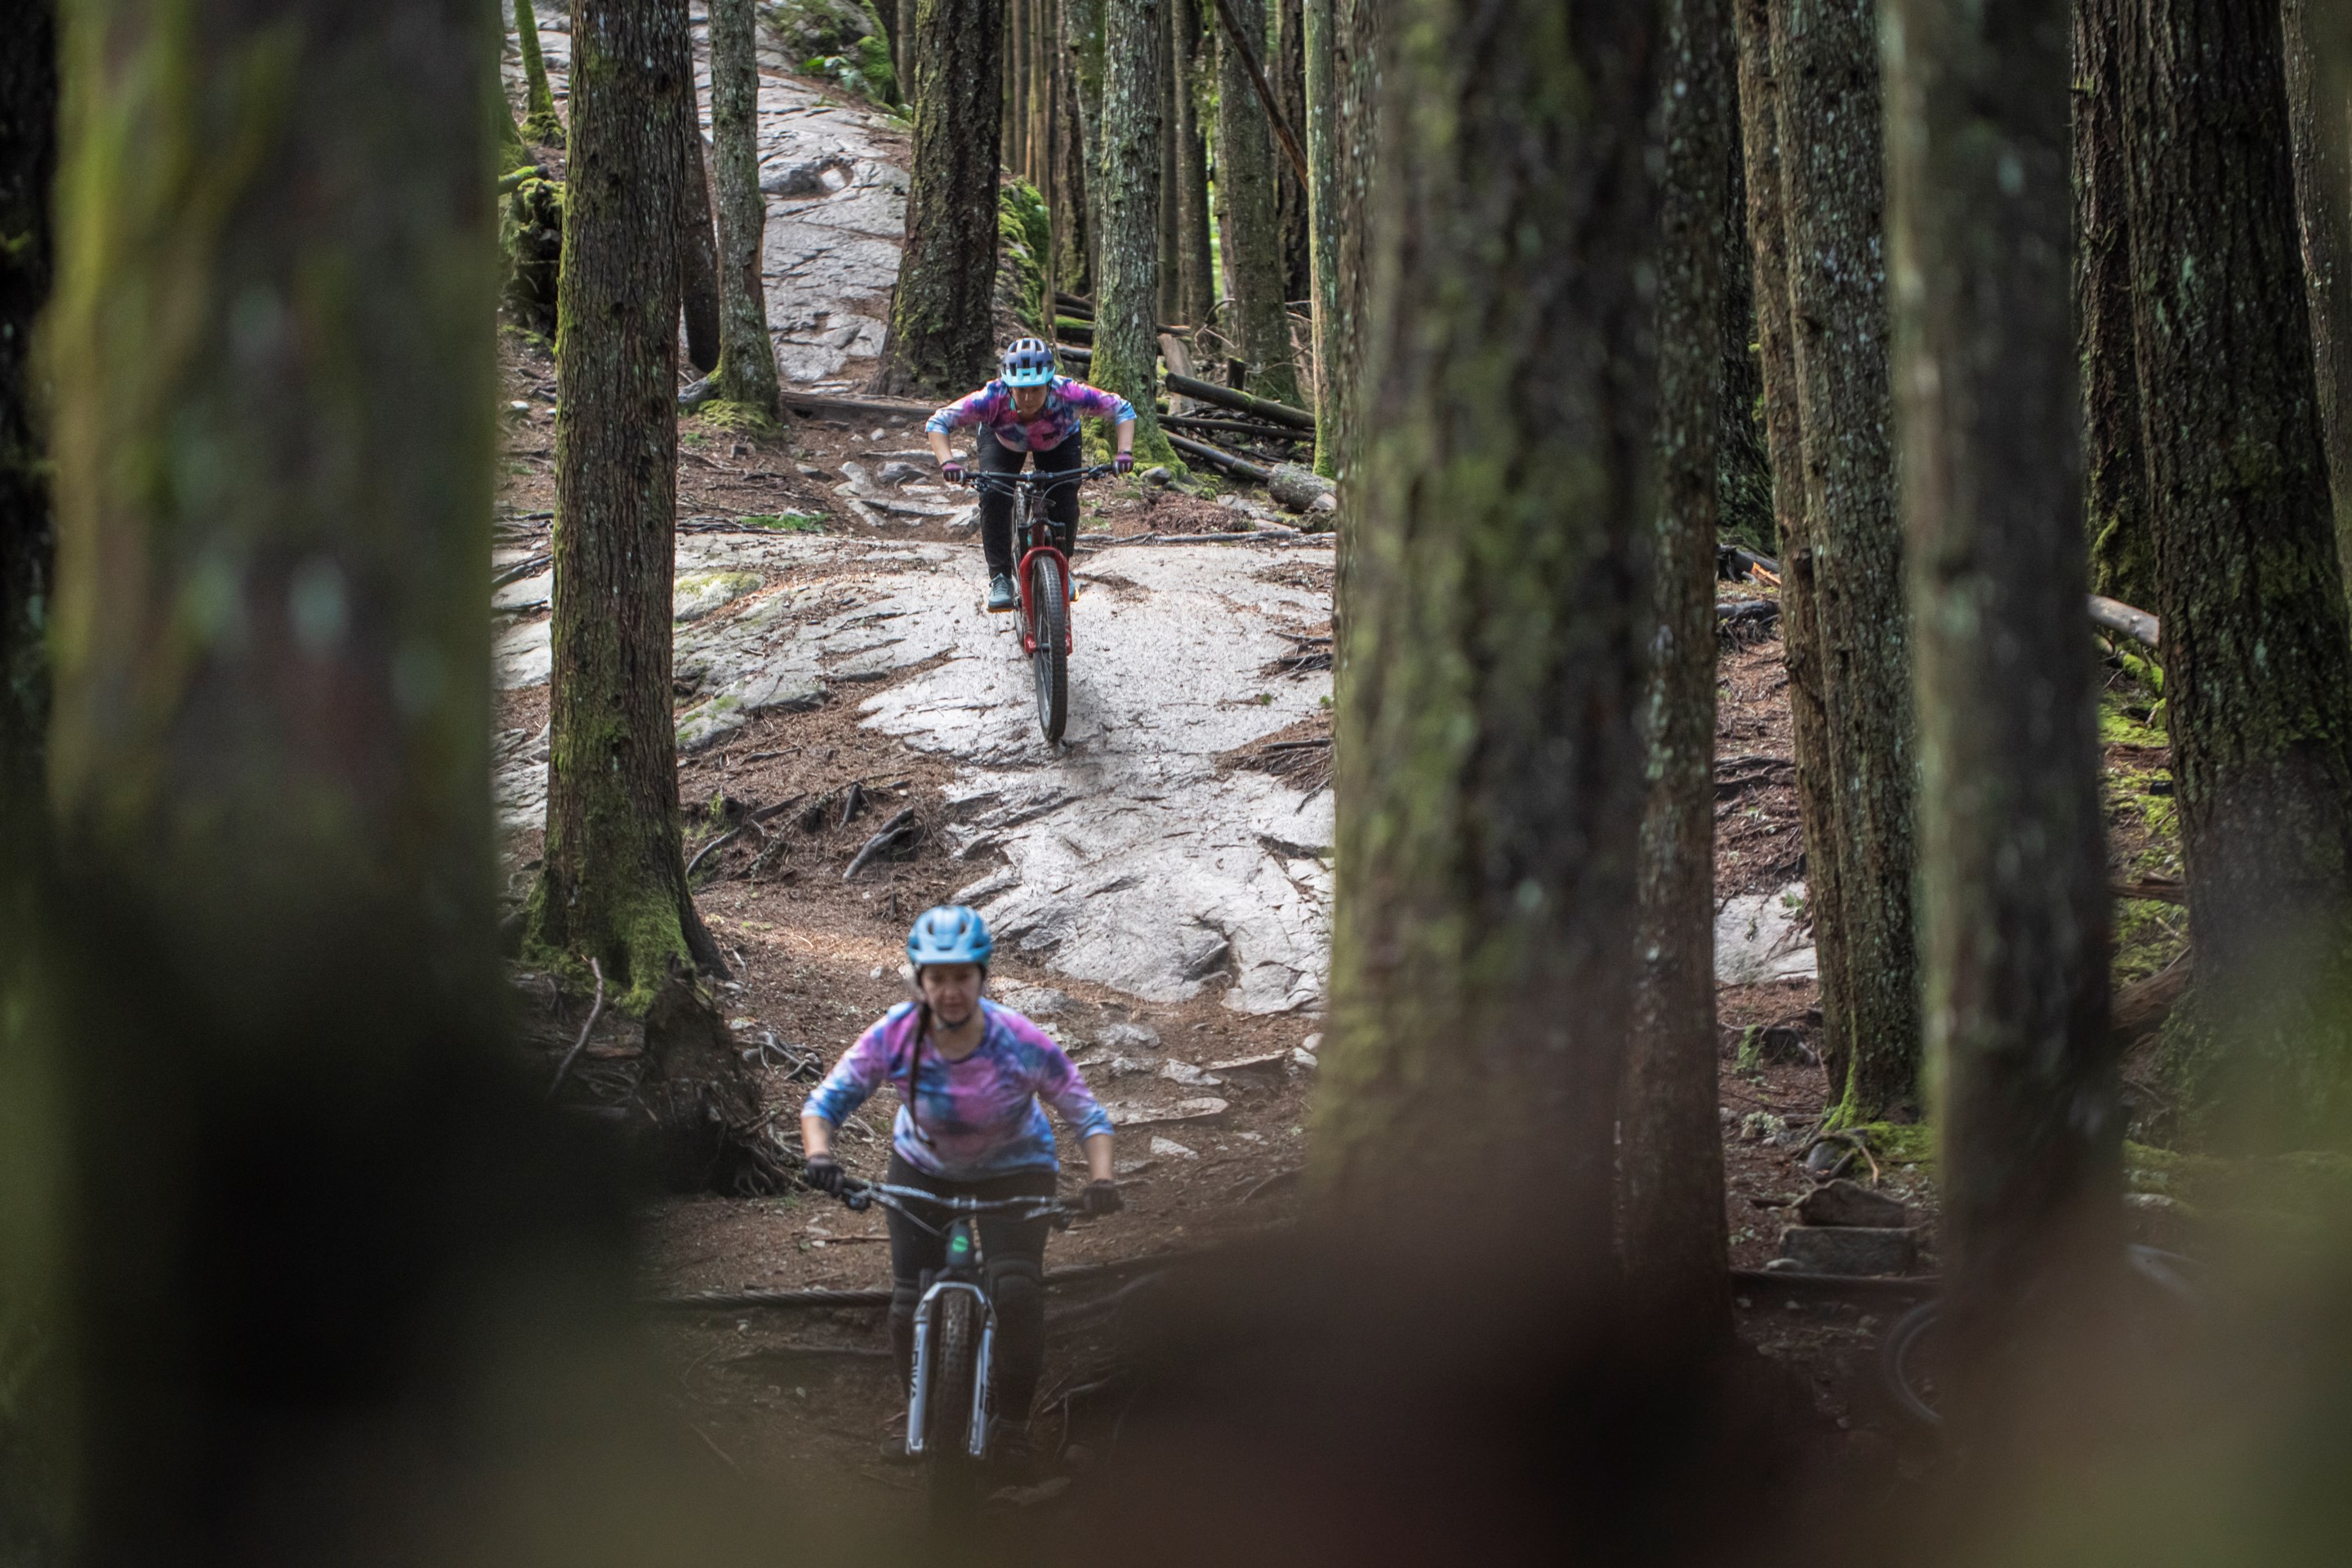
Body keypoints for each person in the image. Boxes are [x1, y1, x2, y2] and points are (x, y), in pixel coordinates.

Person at [800, 904, 1120, 1463]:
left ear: (982, 977)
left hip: (1018, 1170)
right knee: (906, 1302)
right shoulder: (896, 1035)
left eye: (962, 977)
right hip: (922, 1168)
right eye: (938, 978)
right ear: (920, 980)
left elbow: (1084, 1112)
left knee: (1017, 1292)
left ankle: (1013, 1429)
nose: (950, 991)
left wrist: (1101, 1177)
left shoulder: (1017, 1039)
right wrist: (820, 1155)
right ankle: (919, 1419)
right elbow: (823, 1104)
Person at [925, 338, 1138, 612]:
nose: (1027, 398)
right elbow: (938, 422)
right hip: (1002, 441)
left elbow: (1122, 409)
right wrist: (948, 463)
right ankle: (1000, 578)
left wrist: (1125, 453)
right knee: (994, 494)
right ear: (1009, 386)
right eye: (1020, 390)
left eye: (1035, 390)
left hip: (1059, 441)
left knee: (1065, 496)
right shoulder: (992, 398)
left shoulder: (1069, 394)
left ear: (1049, 384)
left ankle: (1062, 568)